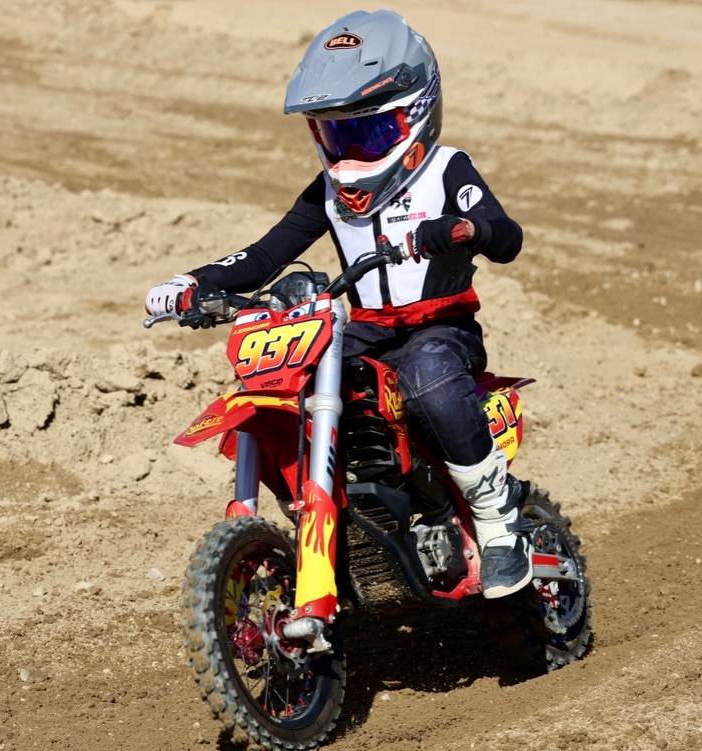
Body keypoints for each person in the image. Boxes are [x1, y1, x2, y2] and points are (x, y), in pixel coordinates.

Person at [145, 9, 530, 599]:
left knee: (426, 374)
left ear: (417, 114)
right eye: (333, 134)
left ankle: (498, 523)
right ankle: (325, 513)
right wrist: (192, 283)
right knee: (287, 377)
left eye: (366, 134)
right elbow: (264, 253)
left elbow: (505, 235)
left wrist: (462, 230)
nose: (348, 153)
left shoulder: (446, 168)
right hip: (366, 329)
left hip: (439, 330)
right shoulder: (328, 192)